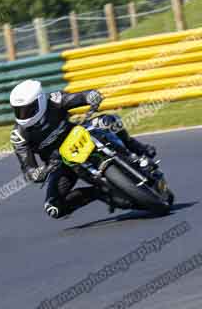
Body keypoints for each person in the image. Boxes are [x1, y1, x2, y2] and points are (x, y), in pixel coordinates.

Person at [9, 79, 157, 219]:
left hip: (80, 134)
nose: (23, 115)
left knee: (108, 121)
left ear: (40, 101)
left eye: (28, 109)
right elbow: (27, 168)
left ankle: (136, 149)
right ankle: (99, 193)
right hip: (60, 162)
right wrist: (36, 174)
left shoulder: (54, 100)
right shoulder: (19, 135)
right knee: (53, 208)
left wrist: (91, 96)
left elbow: (79, 97)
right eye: (19, 111)